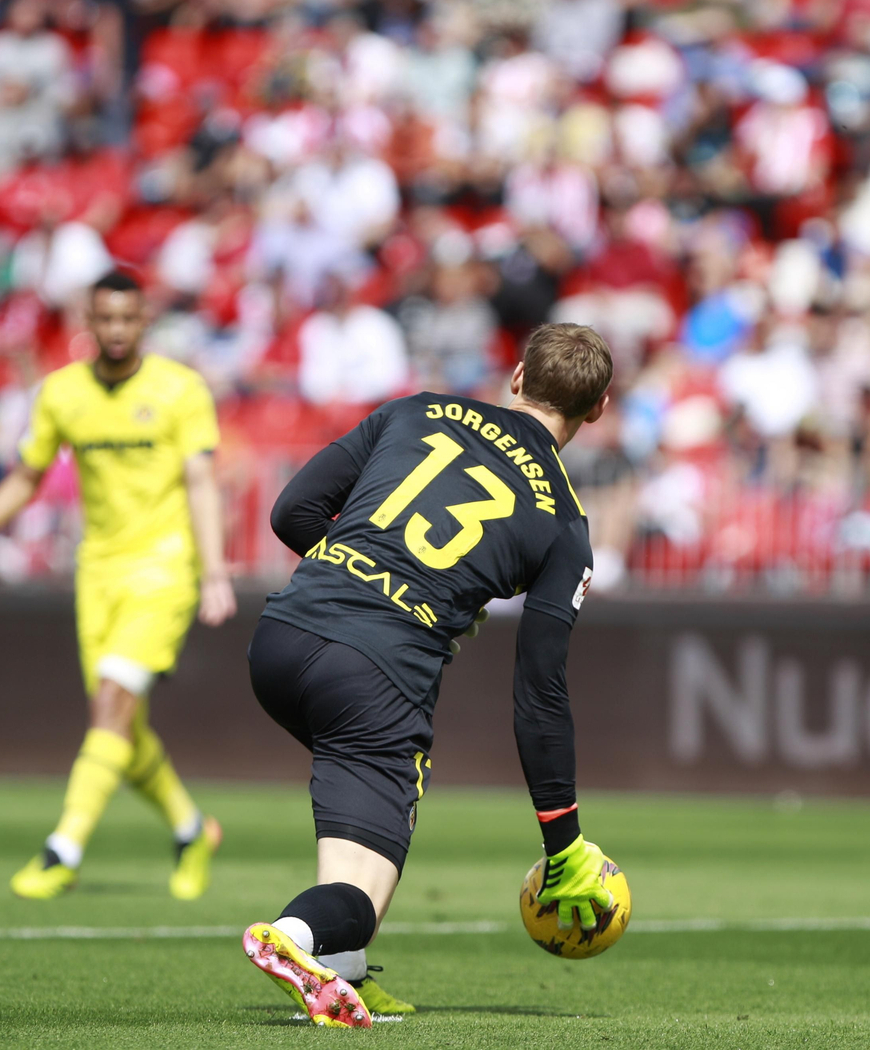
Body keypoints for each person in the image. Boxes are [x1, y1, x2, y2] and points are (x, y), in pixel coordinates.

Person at [240, 323, 617, 1026]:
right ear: (597, 409)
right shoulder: (565, 524)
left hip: (281, 636)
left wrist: (355, 571)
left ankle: (344, 972)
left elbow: (291, 511)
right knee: (365, 880)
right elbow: (540, 693)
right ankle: (294, 938)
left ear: (516, 377)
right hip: (374, 674)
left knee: (356, 801)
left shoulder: (419, 409)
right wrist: (563, 843)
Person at [0, 270, 236, 900]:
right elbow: (27, 475)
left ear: (144, 321)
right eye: (106, 319)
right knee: (121, 729)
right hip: (97, 571)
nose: (118, 330)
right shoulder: (62, 393)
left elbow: (202, 482)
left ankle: (62, 849)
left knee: (111, 706)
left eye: (129, 319)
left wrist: (212, 572)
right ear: (89, 323)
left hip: (164, 567)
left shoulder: (180, 389)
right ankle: (191, 831)